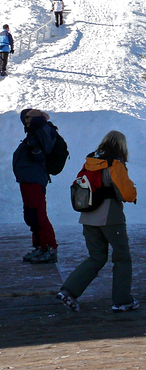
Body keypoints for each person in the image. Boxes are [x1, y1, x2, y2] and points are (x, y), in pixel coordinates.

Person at [56, 131, 138, 313]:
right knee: (122, 257)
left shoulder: (90, 161)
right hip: (110, 217)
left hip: (88, 216)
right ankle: (122, 300)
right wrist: (134, 193)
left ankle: (68, 290)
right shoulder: (115, 164)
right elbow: (126, 193)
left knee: (96, 257)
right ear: (121, 146)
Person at [13, 109, 60, 264]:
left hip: (35, 179)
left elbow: (45, 148)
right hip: (28, 179)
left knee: (39, 214)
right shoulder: (35, 133)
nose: (25, 122)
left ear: (36, 119)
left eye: (28, 118)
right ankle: (40, 246)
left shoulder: (44, 130)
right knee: (31, 214)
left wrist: (39, 123)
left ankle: (50, 248)